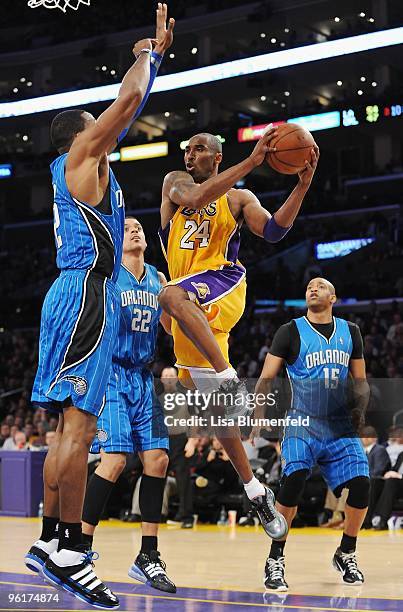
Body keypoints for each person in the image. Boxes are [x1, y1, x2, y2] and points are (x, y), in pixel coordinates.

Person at [25, 6, 175, 609]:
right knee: (80, 430)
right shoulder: (81, 155)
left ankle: (47, 542)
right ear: (80, 136)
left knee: (68, 428)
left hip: (72, 294)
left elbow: (123, 105)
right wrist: (150, 55)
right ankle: (68, 552)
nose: (108, 131)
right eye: (98, 125)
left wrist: (142, 62)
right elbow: (131, 101)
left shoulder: (87, 173)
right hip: (86, 295)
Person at [158, 129, 319, 540]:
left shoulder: (238, 199)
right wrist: (253, 161)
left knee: (168, 294)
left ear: (216, 155)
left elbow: (275, 232)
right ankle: (255, 490)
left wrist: (302, 185)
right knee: (218, 416)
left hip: (220, 284)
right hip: (189, 311)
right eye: (188, 149)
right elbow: (193, 199)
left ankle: (231, 379)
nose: (190, 154)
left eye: (198, 149)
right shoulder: (175, 182)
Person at [253, 278, 370, 590]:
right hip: (301, 421)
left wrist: (360, 411)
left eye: (320, 285)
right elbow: (266, 377)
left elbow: (360, 380)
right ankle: (275, 559)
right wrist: (259, 411)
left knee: (361, 486)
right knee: (292, 483)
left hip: (339, 423)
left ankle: (347, 551)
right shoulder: (289, 331)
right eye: (308, 286)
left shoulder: (351, 331)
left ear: (333, 297)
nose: (312, 288)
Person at [80, 217, 175, 593]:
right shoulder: (108, 275)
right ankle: (80, 546)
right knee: (115, 460)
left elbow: (169, 327)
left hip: (142, 376)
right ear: (116, 240)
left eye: (139, 228)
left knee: (159, 460)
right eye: (128, 227)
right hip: (112, 375)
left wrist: (184, 303)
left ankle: (148, 555)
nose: (135, 230)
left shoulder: (159, 278)